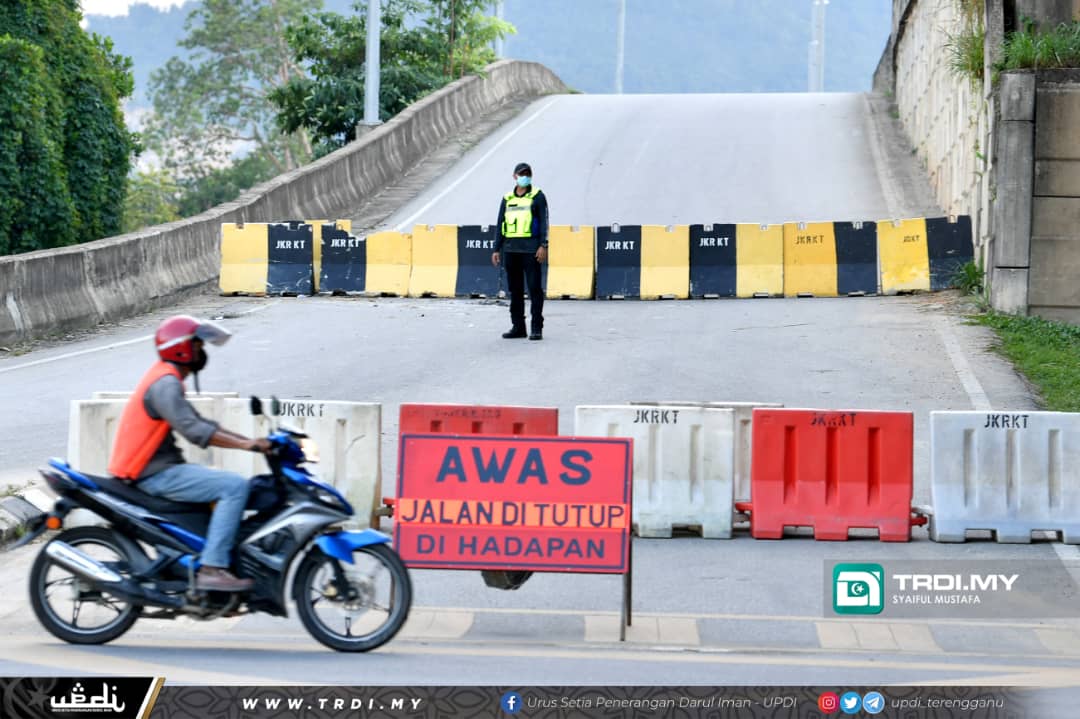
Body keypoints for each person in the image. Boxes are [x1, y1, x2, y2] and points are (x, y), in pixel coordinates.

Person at [108, 315, 270, 592]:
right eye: (197, 345)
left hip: (155, 468)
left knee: (221, 483)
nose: (202, 351)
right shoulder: (166, 383)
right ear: (181, 348)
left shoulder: (166, 378)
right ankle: (212, 567)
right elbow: (194, 430)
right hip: (151, 473)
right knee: (234, 487)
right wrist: (246, 446)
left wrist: (250, 441)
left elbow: (202, 423)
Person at [491, 162, 549, 340]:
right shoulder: (507, 198)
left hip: (531, 250)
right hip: (511, 250)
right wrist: (496, 249)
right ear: (514, 176)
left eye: (527, 174)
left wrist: (543, 245)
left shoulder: (537, 196)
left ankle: (536, 328)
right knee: (515, 290)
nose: (525, 177)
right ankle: (518, 327)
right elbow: (500, 223)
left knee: (534, 289)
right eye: (521, 174)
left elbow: (544, 222)